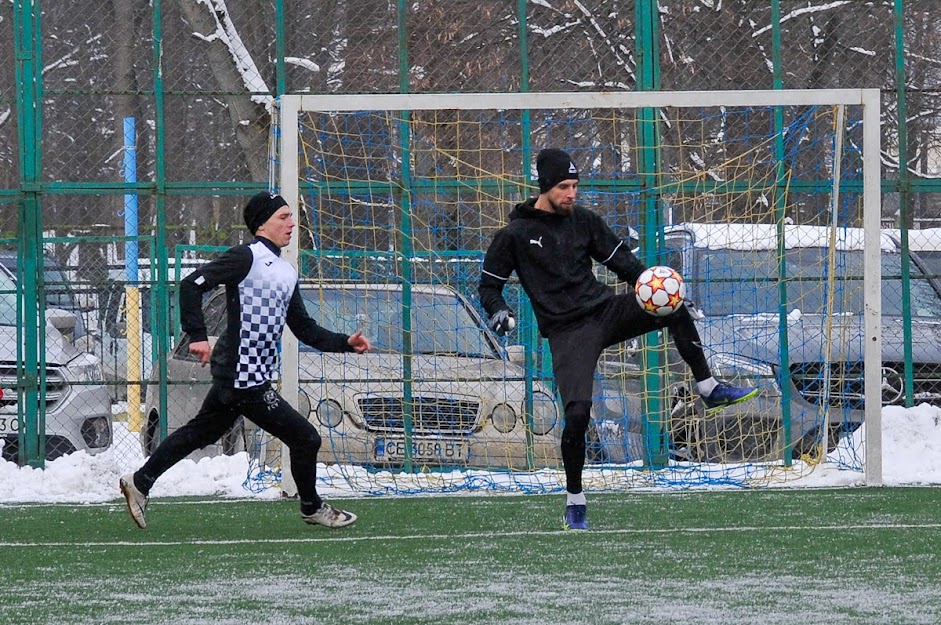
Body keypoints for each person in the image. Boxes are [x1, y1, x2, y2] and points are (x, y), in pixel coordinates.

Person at [477, 148, 757, 531]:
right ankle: (575, 501)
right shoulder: (514, 235)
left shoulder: (585, 222)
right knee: (576, 417)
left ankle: (708, 387)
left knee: (673, 308)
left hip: (606, 312)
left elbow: (626, 266)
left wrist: (658, 289)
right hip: (568, 332)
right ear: (545, 187)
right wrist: (500, 311)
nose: (572, 193)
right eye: (564, 186)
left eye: (575, 186)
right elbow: (489, 287)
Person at [119, 191, 371, 530]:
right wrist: (197, 336)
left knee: (200, 432)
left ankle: (141, 481)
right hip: (241, 373)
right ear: (262, 224)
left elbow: (304, 328)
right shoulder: (246, 257)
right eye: (283, 217)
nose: (291, 223)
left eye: (291, 216)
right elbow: (191, 285)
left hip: (250, 373)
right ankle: (311, 507)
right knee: (305, 437)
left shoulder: (285, 271)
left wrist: (345, 343)